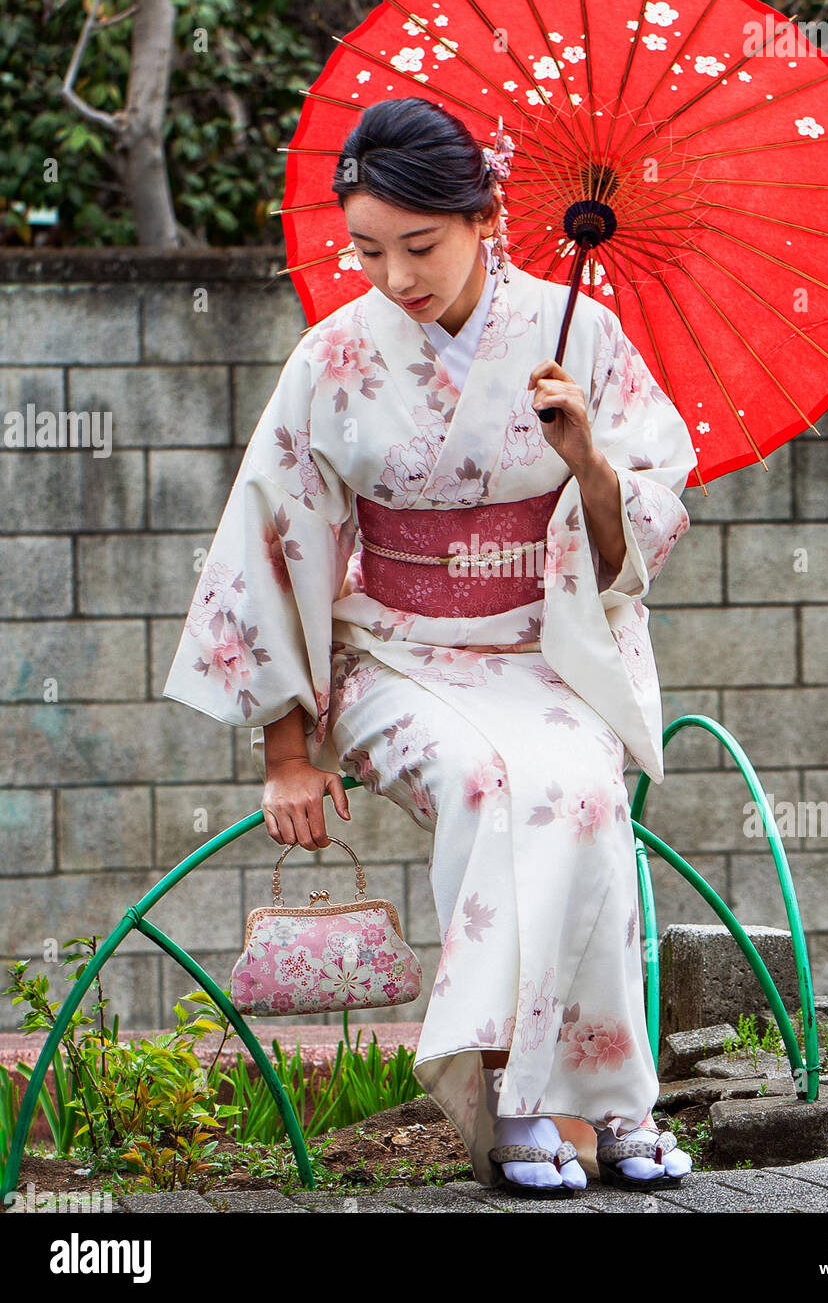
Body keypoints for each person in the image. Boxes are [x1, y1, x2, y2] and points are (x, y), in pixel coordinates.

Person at [162, 96, 699, 1198]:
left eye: (420, 245)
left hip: (540, 649)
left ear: (487, 216)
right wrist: (286, 750)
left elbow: (644, 517)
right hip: (399, 655)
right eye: (367, 250)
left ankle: (606, 1099)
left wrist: (586, 460)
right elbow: (273, 539)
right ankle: (508, 1099)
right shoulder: (335, 355)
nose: (396, 277)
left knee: (582, 793)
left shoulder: (579, 334)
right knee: (490, 783)